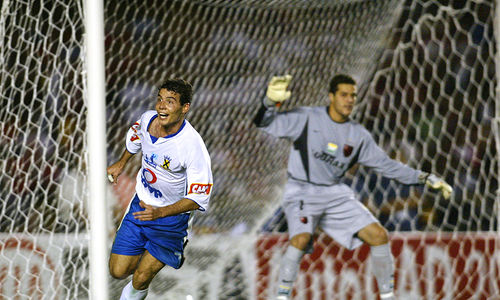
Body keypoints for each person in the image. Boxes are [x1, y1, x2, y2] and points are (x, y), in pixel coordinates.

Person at [253, 74, 452, 300]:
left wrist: (425, 178)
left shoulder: (357, 135)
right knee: (300, 239)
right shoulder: (307, 118)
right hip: (303, 190)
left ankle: (388, 296)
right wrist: (270, 103)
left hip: (334, 192)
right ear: (331, 97)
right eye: (344, 95)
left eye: (353, 96)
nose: (349, 100)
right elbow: (264, 123)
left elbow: (388, 166)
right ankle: (281, 296)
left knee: (378, 235)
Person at [107, 78, 213, 300]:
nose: (162, 105)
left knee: (141, 276)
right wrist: (121, 162)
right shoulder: (147, 120)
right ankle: (150, 253)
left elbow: (198, 198)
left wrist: (160, 213)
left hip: (171, 220)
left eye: (170, 101)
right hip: (141, 207)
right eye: (160, 99)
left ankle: (154, 260)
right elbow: (135, 139)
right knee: (118, 271)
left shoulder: (192, 146)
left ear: (185, 108)